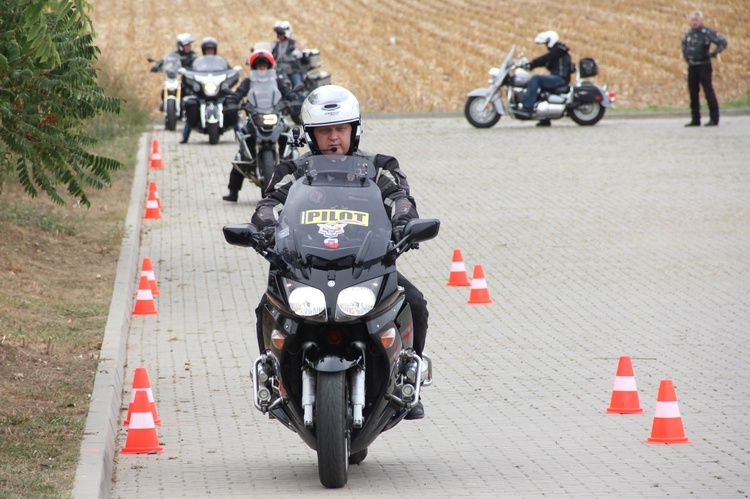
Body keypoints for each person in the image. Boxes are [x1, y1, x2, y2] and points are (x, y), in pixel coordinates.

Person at [251, 85, 429, 419]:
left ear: (354, 130)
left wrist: (405, 222)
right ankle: (272, 380)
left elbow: (401, 199)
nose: (334, 138)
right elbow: (269, 206)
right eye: (324, 131)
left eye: (341, 129)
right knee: (266, 306)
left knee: (414, 302)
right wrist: (262, 228)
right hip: (304, 266)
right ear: (310, 134)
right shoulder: (293, 171)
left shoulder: (379, 167)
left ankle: (408, 381)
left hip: (367, 265)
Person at [222, 50, 290, 202]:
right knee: (243, 150)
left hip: (274, 115)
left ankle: (287, 158)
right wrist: (233, 100)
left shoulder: (277, 81)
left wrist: (292, 98)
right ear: (254, 67)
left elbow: (287, 92)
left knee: (287, 133)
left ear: (269, 67)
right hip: (254, 116)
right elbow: (239, 94)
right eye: (259, 66)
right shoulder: (248, 82)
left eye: (264, 65)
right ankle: (233, 191)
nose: (262, 68)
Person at [682, 11, 727, 127]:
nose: (694, 22)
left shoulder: (706, 32)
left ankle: (714, 118)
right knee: (693, 93)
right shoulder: (688, 33)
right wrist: (686, 56)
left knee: (708, 91)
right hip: (692, 66)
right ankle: (695, 119)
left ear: (701, 21)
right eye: (693, 20)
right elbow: (684, 45)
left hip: (703, 66)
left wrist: (713, 54)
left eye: (696, 20)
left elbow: (722, 42)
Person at [519, 30, 572, 127]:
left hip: (560, 79)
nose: (546, 46)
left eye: (546, 43)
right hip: (558, 77)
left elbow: (546, 58)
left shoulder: (559, 49)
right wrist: (529, 65)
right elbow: (544, 62)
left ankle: (528, 106)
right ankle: (544, 118)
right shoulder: (558, 51)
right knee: (540, 90)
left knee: (536, 79)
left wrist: (532, 63)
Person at [181, 37, 221, 143]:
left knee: (231, 103)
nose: (210, 52)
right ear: (204, 51)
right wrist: (191, 79)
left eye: (212, 50)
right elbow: (191, 73)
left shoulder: (220, 63)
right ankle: (185, 136)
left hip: (217, 91)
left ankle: (237, 131)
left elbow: (228, 70)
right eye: (208, 50)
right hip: (203, 91)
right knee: (191, 107)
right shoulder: (198, 63)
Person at [271, 21, 304, 90]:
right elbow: (271, 54)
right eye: (278, 33)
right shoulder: (275, 45)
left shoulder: (294, 43)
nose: (280, 35)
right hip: (278, 71)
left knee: (298, 87)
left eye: (281, 33)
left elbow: (299, 52)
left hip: (292, 70)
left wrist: (293, 55)